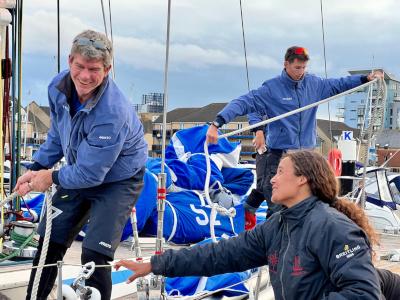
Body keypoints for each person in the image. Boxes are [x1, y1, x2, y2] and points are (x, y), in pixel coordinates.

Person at [115, 150, 383, 299]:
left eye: (280, 172)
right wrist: (156, 264)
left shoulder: (332, 227)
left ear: (303, 180)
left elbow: (364, 294)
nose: (273, 180)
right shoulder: (277, 226)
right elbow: (221, 254)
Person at [15, 30, 147, 300]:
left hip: (118, 182)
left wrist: (49, 177)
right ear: (69, 61)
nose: (85, 76)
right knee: (50, 242)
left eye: (94, 69)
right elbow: (58, 135)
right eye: (80, 67)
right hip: (78, 171)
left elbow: (91, 173)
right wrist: (36, 167)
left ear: (108, 69)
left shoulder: (113, 112)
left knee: (94, 254)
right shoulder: (57, 88)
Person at [206, 46, 383, 219]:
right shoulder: (271, 88)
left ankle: (300, 239)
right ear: (286, 64)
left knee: (307, 203)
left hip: (306, 156)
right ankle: (263, 234)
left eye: (304, 67)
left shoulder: (314, 84)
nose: (301, 71)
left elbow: (339, 84)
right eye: (297, 67)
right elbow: (243, 103)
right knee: (276, 207)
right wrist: (218, 123)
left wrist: (365, 78)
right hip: (279, 155)